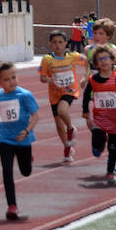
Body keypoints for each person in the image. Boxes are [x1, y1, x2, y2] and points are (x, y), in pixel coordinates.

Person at [0, 61, 39, 220]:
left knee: (26, 171)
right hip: (5, 138)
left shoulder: (25, 95)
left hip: (22, 138)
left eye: (14, 77)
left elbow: (36, 117)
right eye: (7, 79)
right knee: (7, 171)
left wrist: (27, 131)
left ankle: (28, 156)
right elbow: (4, 113)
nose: (12, 81)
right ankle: (12, 206)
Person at [82, 45, 116, 186]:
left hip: (114, 118)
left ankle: (111, 172)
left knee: (112, 148)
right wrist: (85, 111)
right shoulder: (93, 79)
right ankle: (97, 144)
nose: (103, 61)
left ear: (112, 60)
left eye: (106, 58)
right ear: (96, 64)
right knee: (98, 137)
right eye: (100, 59)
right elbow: (86, 95)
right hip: (99, 117)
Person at [39, 30, 86, 163]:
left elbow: (88, 61)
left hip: (70, 90)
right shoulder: (47, 59)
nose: (57, 45)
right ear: (50, 44)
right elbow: (42, 77)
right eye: (54, 42)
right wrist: (48, 80)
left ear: (66, 43)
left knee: (62, 110)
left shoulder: (72, 56)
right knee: (59, 126)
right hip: (54, 94)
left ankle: (71, 128)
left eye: (60, 42)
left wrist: (85, 76)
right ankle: (67, 149)